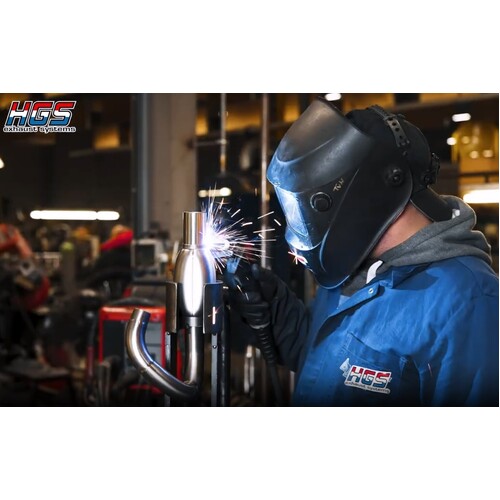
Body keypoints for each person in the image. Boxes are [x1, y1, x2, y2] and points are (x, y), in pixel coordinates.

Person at [225, 97, 499, 406]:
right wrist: (275, 311)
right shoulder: (352, 270)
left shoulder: (468, 301)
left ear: (371, 190)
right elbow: (327, 364)